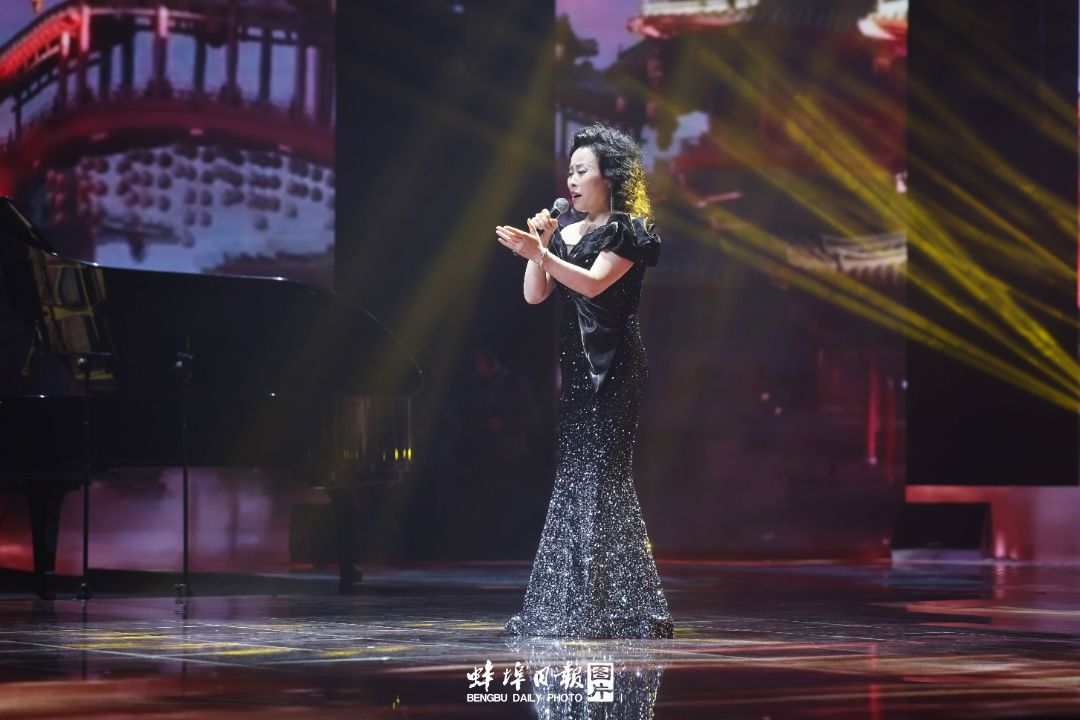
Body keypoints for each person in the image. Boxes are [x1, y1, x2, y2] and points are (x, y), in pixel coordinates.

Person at [494, 124, 674, 639]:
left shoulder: (629, 231)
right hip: (575, 374)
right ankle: (576, 605)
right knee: (576, 478)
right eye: (569, 171)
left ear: (609, 177)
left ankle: (606, 608)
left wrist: (540, 254)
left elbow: (594, 285)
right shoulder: (565, 234)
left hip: (615, 367)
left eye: (581, 171)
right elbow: (535, 295)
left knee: (604, 479)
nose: (571, 181)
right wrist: (542, 247)